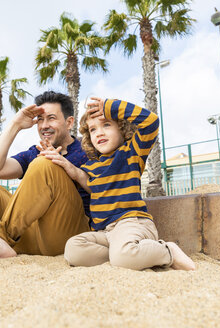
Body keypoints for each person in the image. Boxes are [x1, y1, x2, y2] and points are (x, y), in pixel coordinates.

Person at [39, 97, 195, 271]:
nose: (99, 132)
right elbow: (89, 183)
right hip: (105, 232)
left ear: (122, 129)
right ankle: (123, 255)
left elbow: (151, 122)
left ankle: (167, 251)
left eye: (106, 125)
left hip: (131, 223)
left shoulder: (131, 153)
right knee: (73, 249)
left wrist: (110, 106)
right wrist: (65, 164)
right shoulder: (92, 166)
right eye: (92, 129)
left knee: (123, 256)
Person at [0, 91, 90, 260]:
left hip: (66, 233)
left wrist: (70, 169)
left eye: (51, 118)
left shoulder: (87, 149)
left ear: (69, 122)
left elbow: (107, 188)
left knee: (44, 163)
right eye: (40, 120)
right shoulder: (33, 152)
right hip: (28, 236)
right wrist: (16, 124)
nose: (44, 126)